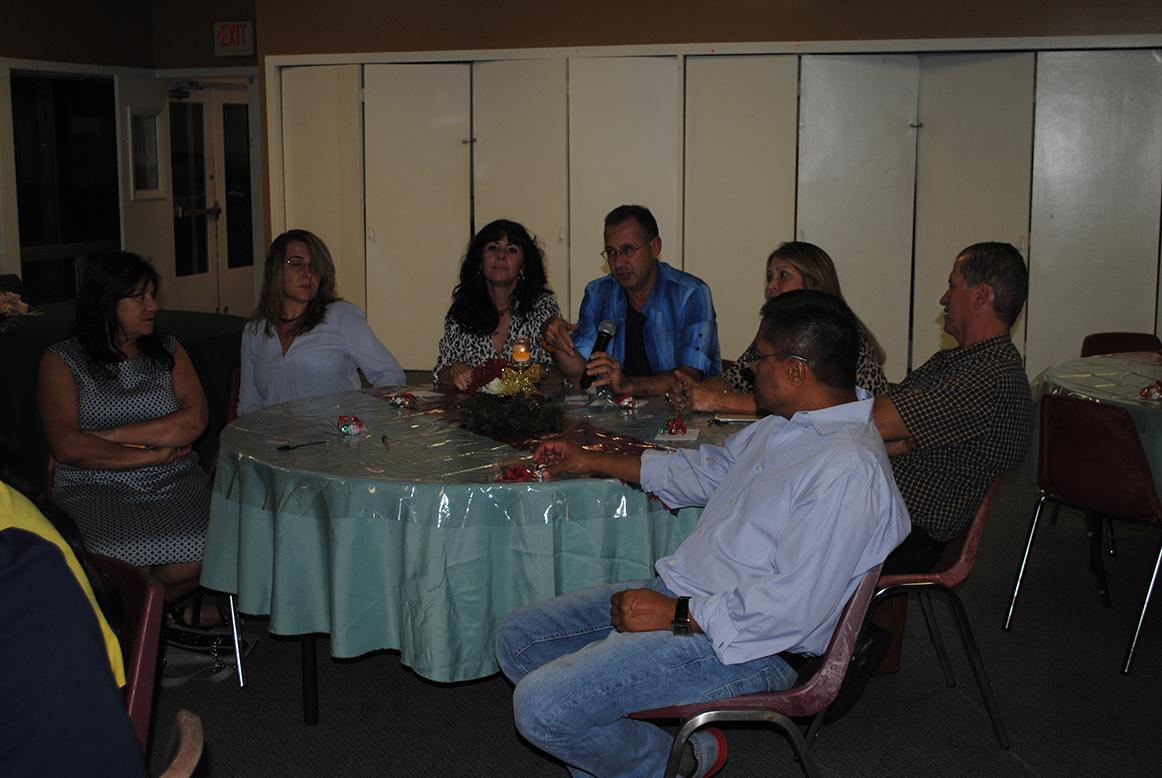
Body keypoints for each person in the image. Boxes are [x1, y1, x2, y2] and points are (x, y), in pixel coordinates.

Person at [495, 291, 909, 777]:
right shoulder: (789, 427)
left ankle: (685, 763)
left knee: (542, 708)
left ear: (796, 371)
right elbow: (703, 472)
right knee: (518, 640)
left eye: (760, 357)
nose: (750, 368)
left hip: (745, 644)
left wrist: (673, 614)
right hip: (690, 598)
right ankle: (632, 750)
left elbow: (787, 611)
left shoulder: (847, 470)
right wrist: (589, 459)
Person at [38, 253, 209, 602]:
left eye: (152, 295)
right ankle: (146, 620)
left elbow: (194, 420)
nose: (153, 306)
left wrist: (107, 435)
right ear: (106, 302)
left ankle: (142, 619)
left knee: (213, 548)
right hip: (91, 486)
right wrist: (153, 455)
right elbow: (68, 448)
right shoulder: (62, 360)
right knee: (108, 559)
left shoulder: (169, 350)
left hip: (173, 481)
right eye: (139, 297)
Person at [874, 241, 1032, 572]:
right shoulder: (964, 361)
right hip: (885, 511)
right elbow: (885, 418)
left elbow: (874, 421)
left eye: (952, 285)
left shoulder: (988, 376)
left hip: (903, 531)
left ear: (981, 295)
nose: (943, 298)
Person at [667, 241, 888, 414]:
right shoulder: (776, 333)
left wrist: (720, 401)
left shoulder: (843, 336)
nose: (771, 286)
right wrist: (697, 391)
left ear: (813, 281)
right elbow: (734, 378)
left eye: (783, 275)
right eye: (769, 277)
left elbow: (831, 409)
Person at [541, 204, 721, 396]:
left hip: (681, 410)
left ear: (655, 247)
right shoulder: (598, 293)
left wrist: (629, 385)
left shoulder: (690, 293)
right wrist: (554, 339)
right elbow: (580, 373)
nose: (618, 263)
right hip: (618, 412)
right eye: (611, 252)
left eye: (627, 250)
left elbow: (690, 377)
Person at [239, 229, 405, 414]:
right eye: (297, 264)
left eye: (315, 267)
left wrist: (364, 416)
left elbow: (390, 374)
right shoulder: (255, 331)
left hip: (334, 431)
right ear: (275, 269)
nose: (308, 273)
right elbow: (248, 405)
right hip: (276, 432)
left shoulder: (341, 317)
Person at [434, 219, 563, 390]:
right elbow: (440, 372)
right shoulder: (463, 309)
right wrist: (455, 371)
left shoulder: (542, 307)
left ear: (523, 266)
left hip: (532, 404)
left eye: (512, 250)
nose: (501, 255)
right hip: (474, 405)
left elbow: (562, 372)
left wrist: (532, 374)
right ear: (480, 261)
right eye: (493, 248)